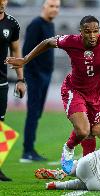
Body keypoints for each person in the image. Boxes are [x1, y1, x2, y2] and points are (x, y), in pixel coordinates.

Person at [5, 15, 100, 174]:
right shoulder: (71, 41)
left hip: (96, 96)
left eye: (95, 31)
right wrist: (25, 60)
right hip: (74, 90)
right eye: (88, 32)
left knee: (91, 133)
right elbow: (47, 42)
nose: (92, 35)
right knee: (82, 130)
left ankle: (87, 172)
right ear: (81, 32)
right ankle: (68, 148)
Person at [19, 0, 60, 163]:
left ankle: (30, 149)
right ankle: (27, 151)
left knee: (37, 113)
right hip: (36, 74)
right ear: (44, 7)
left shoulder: (50, 25)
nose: (55, 9)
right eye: (51, 6)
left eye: (57, 7)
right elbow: (26, 50)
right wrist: (32, 74)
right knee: (33, 112)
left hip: (46, 74)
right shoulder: (36, 24)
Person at [0, 0, 26, 181]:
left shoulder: (12, 24)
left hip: (1, 82)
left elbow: (16, 52)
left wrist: (20, 79)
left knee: (1, 127)